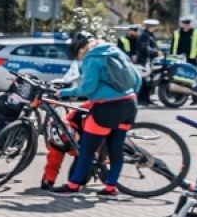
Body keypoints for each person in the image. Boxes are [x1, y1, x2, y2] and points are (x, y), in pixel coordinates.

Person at [55, 32, 139, 196]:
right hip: (130, 104)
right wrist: (125, 95)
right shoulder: (117, 52)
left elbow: (88, 88)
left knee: (87, 149)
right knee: (116, 149)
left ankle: (73, 185)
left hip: (107, 108)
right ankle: (110, 187)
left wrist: (65, 93)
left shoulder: (91, 58)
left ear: (80, 49)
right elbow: (137, 80)